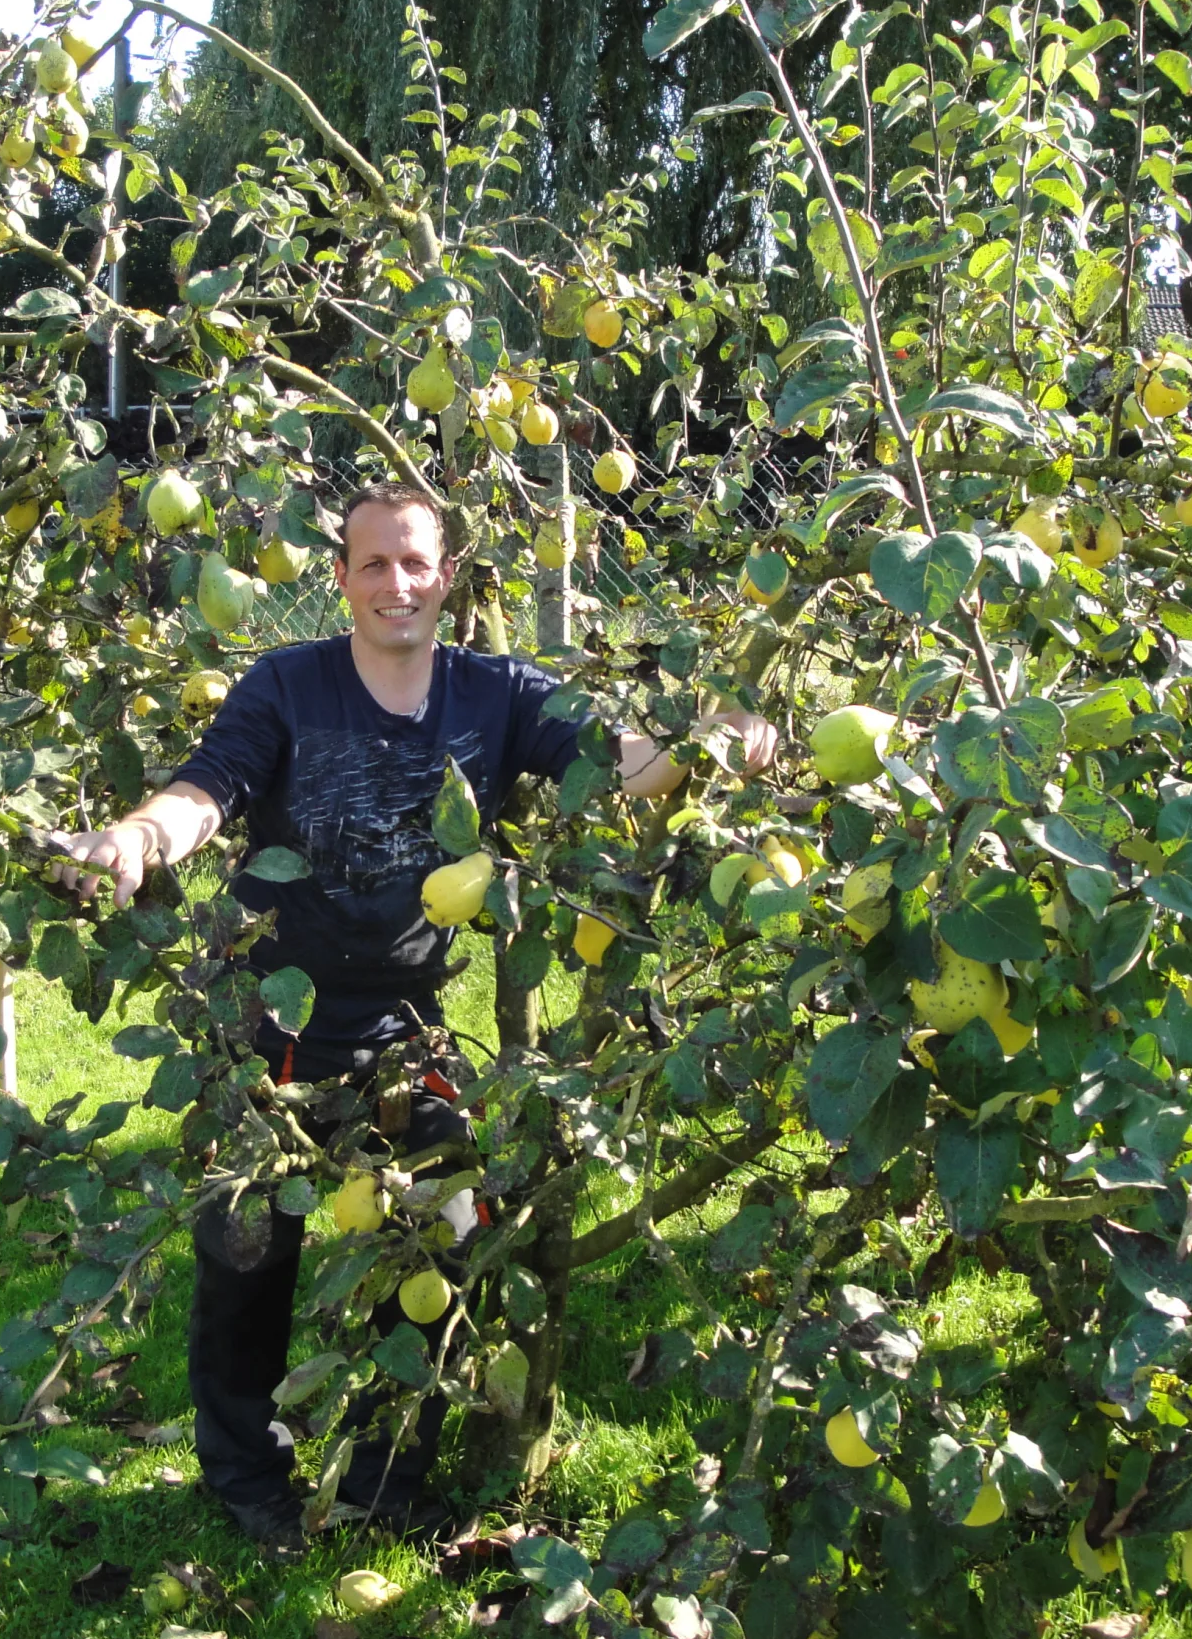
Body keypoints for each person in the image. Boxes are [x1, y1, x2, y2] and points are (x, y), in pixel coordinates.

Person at [52, 480, 777, 1552]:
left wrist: (721, 740)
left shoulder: (496, 693)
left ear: (449, 577)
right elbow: (209, 788)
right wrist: (138, 838)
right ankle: (246, 1477)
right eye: (375, 564)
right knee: (249, 1256)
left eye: (416, 563)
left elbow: (630, 767)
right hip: (271, 1022)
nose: (398, 583)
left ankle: (381, 1478)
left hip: (404, 1029)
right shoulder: (288, 686)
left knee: (441, 1248)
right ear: (341, 578)